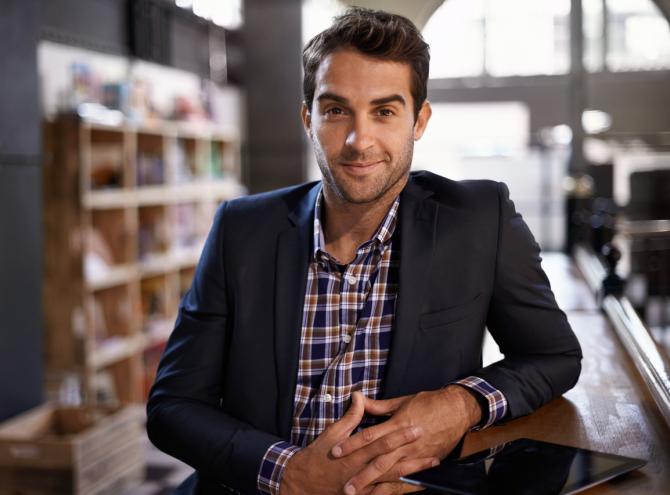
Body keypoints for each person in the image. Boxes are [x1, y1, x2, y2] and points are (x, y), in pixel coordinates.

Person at [147, 7, 582, 495]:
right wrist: (287, 474)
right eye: (336, 111)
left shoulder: (480, 219)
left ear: (420, 119)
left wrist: (462, 403)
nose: (359, 141)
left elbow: (554, 355)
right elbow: (171, 406)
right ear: (307, 118)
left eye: (384, 111)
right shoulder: (240, 230)